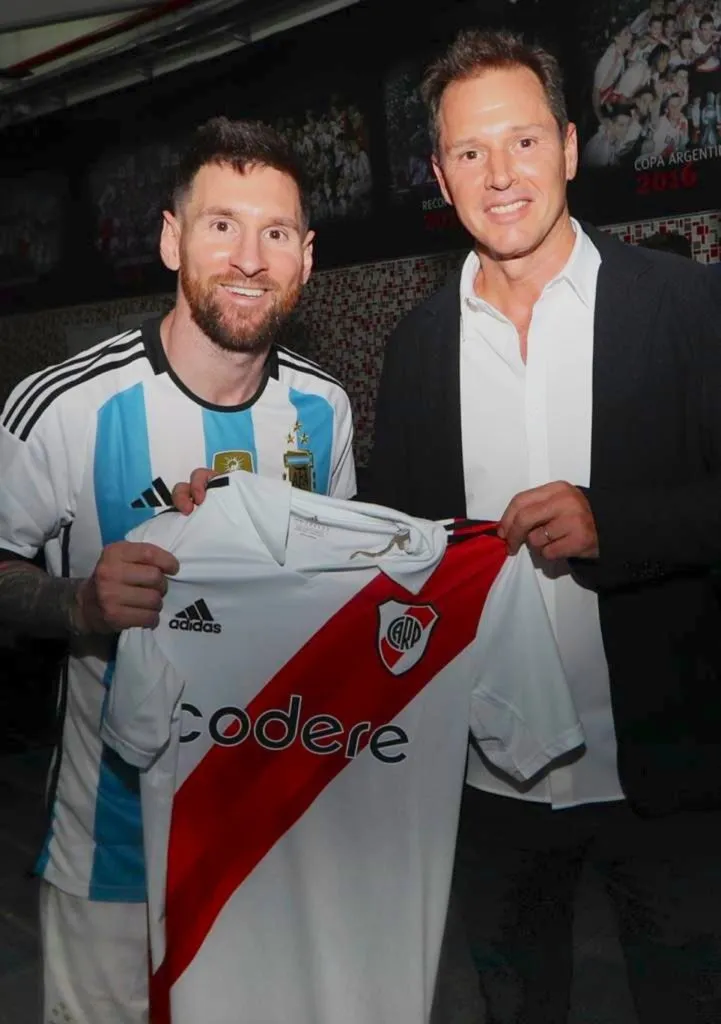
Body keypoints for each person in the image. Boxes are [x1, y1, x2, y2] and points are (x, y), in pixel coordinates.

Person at [365, 26, 721, 1024]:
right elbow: (400, 553)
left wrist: (618, 523)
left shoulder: (685, 305)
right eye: (469, 152)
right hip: (487, 786)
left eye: (522, 141)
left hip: (662, 774)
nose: (500, 174)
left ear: (568, 146)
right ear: (440, 174)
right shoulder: (416, 349)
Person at [0, 115, 355, 1024]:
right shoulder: (66, 406)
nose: (248, 257)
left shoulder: (324, 408)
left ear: (306, 257)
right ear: (170, 239)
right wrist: (78, 600)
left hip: (267, 841)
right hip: (108, 851)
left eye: (275, 232)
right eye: (220, 225)